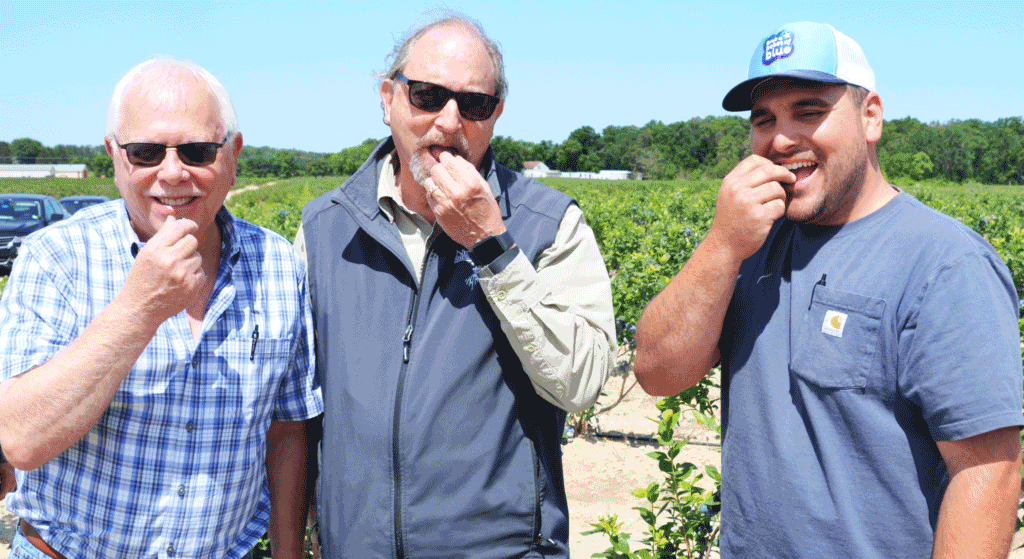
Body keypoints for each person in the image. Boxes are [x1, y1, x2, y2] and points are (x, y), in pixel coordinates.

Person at [634, 21, 1023, 558]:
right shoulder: (746, 244)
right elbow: (658, 372)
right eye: (764, 119)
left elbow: (988, 470)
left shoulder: (944, 262)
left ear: (871, 117)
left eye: (809, 111)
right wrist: (721, 244)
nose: (781, 139)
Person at [296, 13, 616, 558]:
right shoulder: (324, 229)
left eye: (473, 105)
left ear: (495, 115)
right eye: (426, 96)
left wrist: (493, 247)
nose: (448, 122)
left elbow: (582, 381)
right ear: (388, 98)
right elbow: (296, 411)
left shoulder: (549, 224)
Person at [0, 58, 322, 559]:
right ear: (114, 156)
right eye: (147, 151)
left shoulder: (278, 265)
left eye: (197, 151)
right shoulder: (56, 258)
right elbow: (22, 438)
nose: (172, 173)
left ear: (232, 156)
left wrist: (288, 554)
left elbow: (286, 430)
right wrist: (138, 309)